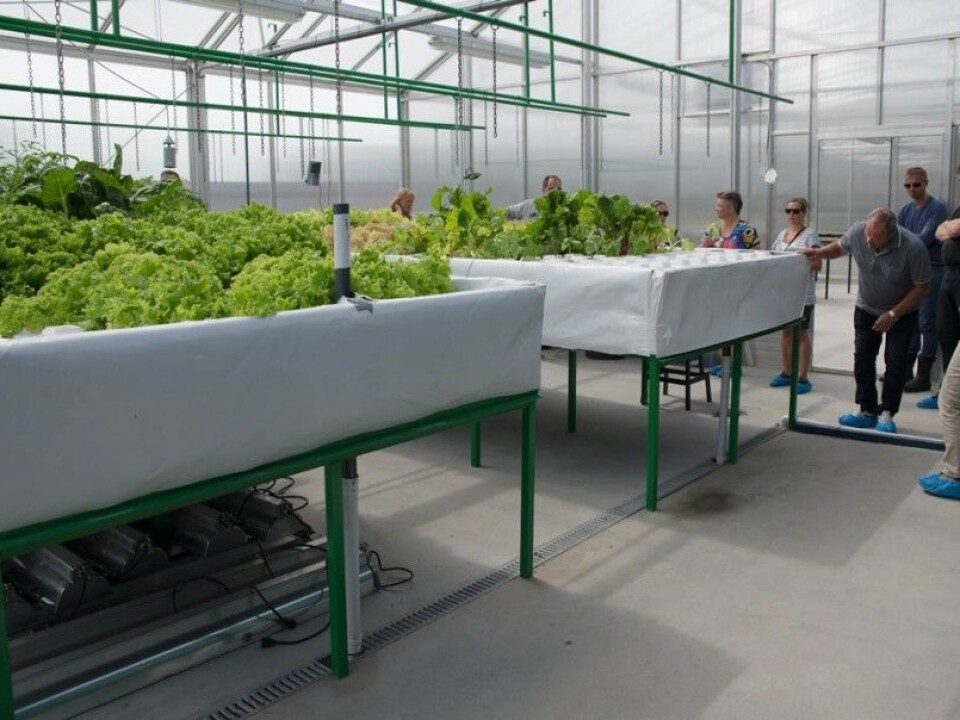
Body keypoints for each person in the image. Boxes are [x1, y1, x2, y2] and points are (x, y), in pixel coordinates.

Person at [800, 208, 931, 434]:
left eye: (874, 237)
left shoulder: (913, 247)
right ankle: (866, 411)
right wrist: (819, 252)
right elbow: (840, 248)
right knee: (863, 357)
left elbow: (922, 286)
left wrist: (893, 314)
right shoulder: (859, 232)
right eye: (867, 235)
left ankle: (887, 412)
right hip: (867, 308)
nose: (868, 240)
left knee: (896, 361)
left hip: (901, 313)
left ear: (891, 234)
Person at [897, 167, 948, 393]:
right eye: (907, 185)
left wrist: (903, 244)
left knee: (926, 322)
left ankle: (924, 375)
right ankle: (905, 369)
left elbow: (923, 239)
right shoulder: (906, 210)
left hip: (932, 272)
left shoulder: (936, 208)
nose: (912, 189)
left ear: (925, 183)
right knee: (910, 320)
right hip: (911, 273)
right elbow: (895, 236)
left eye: (916, 185)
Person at [769, 197, 821, 395]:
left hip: (802, 293)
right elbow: (772, 256)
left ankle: (803, 377)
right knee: (786, 333)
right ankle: (786, 372)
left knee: (801, 333)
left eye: (796, 211)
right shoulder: (782, 234)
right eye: (788, 210)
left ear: (803, 213)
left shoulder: (810, 235)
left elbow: (817, 263)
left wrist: (798, 261)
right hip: (784, 292)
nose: (792, 215)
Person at [918, 216, 960, 411]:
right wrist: (949, 228)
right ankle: (944, 392)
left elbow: (950, 230)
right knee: (946, 336)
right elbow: (940, 231)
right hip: (950, 277)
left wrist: (950, 228)